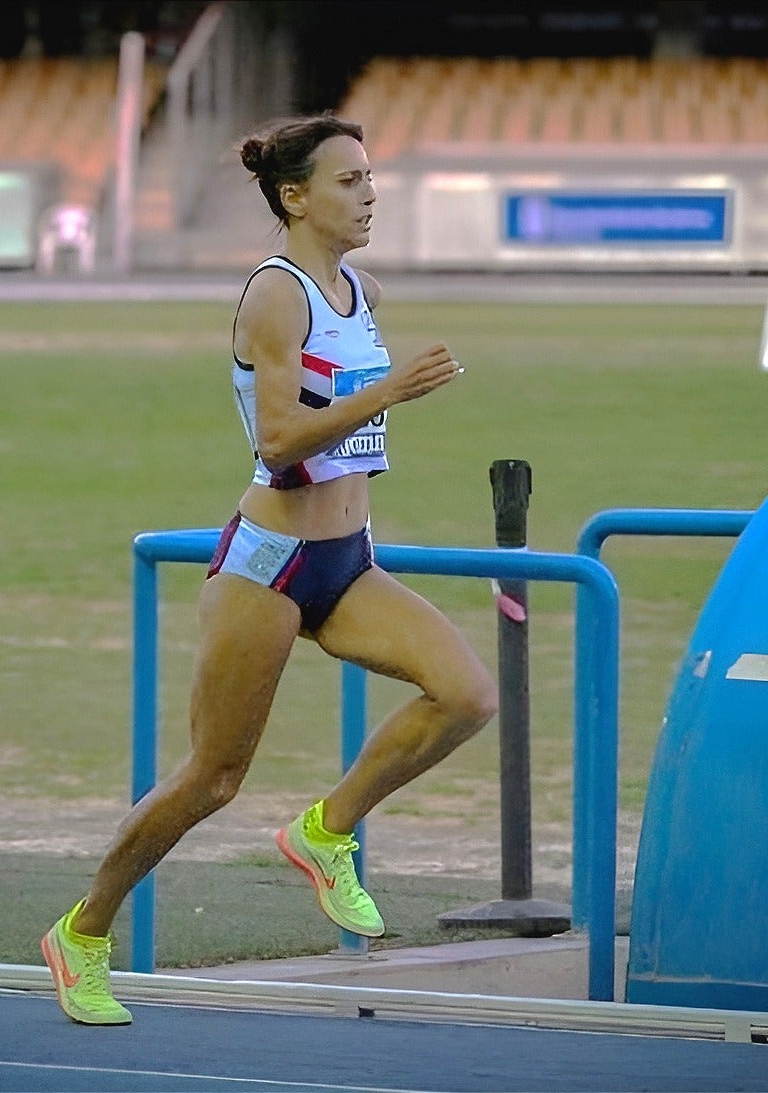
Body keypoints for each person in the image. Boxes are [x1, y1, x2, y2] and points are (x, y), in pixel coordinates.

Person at [41, 114, 498, 1026]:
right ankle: (82, 932)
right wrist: (389, 391)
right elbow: (279, 439)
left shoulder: (357, 287)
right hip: (270, 564)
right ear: (294, 196)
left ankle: (325, 830)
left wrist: (376, 399)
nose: (369, 194)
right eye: (348, 181)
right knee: (212, 778)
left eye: (369, 177)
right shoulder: (274, 295)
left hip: (347, 560)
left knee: (466, 694)